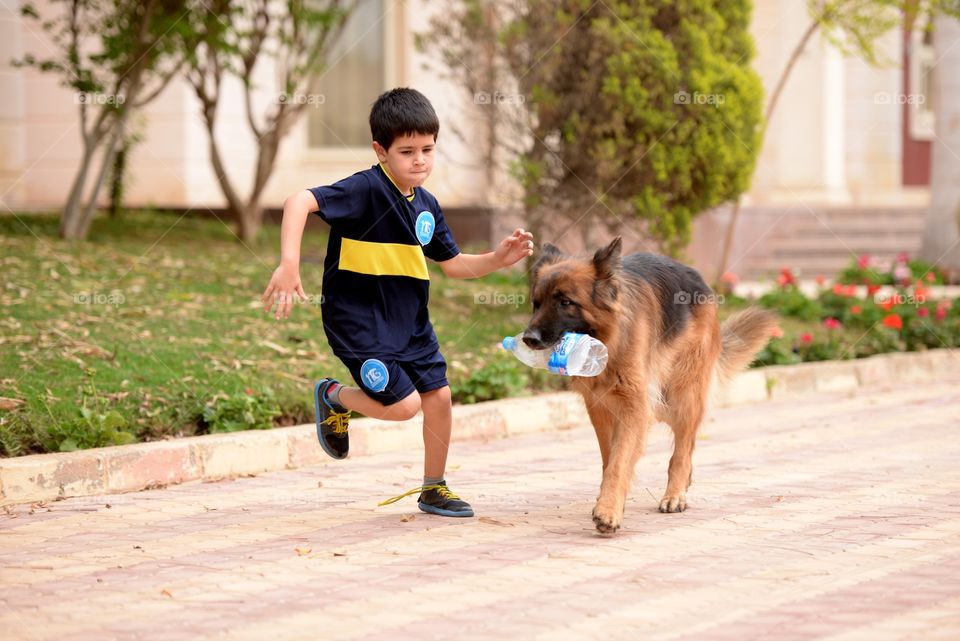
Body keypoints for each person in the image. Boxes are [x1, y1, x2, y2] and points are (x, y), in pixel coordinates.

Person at [261, 87, 534, 517]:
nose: (420, 159)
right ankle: (334, 396)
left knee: (439, 399)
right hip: (359, 323)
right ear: (381, 150)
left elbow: (454, 265)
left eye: (427, 149)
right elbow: (300, 201)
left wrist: (498, 259)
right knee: (404, 405)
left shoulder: (427, 207)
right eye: (407, 151)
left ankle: (433, 488)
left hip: (410, 324)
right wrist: (289, 263)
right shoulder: (365, 189)